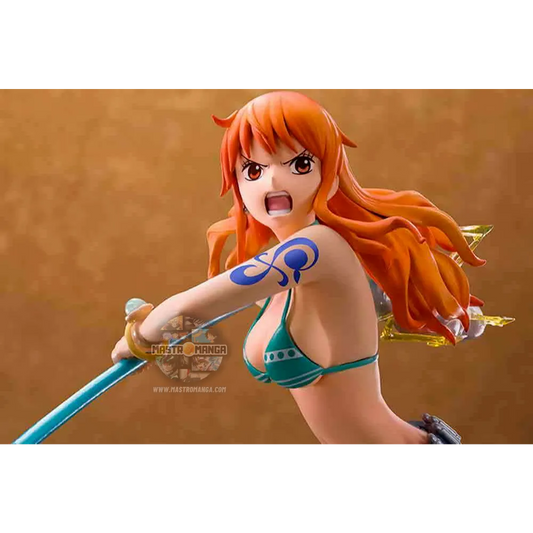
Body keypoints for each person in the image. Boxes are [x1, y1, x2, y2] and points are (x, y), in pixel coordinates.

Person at [112, 91, 485, 447]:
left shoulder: (316, 249)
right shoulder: (284, 278)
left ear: (331, 173)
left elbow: (189, 306)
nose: (274, 180)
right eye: (253, 169)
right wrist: (161, 330)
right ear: (236, 185)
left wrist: (139, 338)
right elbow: (206, 307)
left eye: (300, 164)